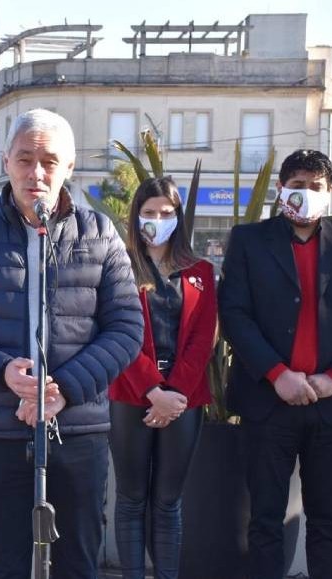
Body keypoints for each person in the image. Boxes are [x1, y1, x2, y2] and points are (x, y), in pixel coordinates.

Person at [0, 109, 143, 579]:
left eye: (49, 161)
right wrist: (5, 375)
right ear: (6, 162)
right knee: (4, 561)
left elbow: (127, 328)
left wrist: (61, 389)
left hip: (78, 429)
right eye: (25, 159)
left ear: (69, 168)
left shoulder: (100, 234)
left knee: (77, 562)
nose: (36, 172)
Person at [219, 149, 332, 579]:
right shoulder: (248, 240)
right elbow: (234, 313)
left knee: (326, 524)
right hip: (268, 404)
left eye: (315, 187)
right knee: (264, 522)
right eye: (297, 185)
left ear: (330, 193)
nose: (306, 194)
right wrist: (276, 374)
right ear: (282, 189)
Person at [108, 177, 217, 579]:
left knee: (169, 501)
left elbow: (203, 338)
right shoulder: (118, 266)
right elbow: (115, 333)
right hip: (131, 393)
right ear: (136, 216)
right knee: (132, 498)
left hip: (184, 399)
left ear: (179, 218)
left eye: (166, 213)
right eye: (149, 212)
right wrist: (152, 390)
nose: (157, 219)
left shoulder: (201, 271)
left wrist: (173, 396)